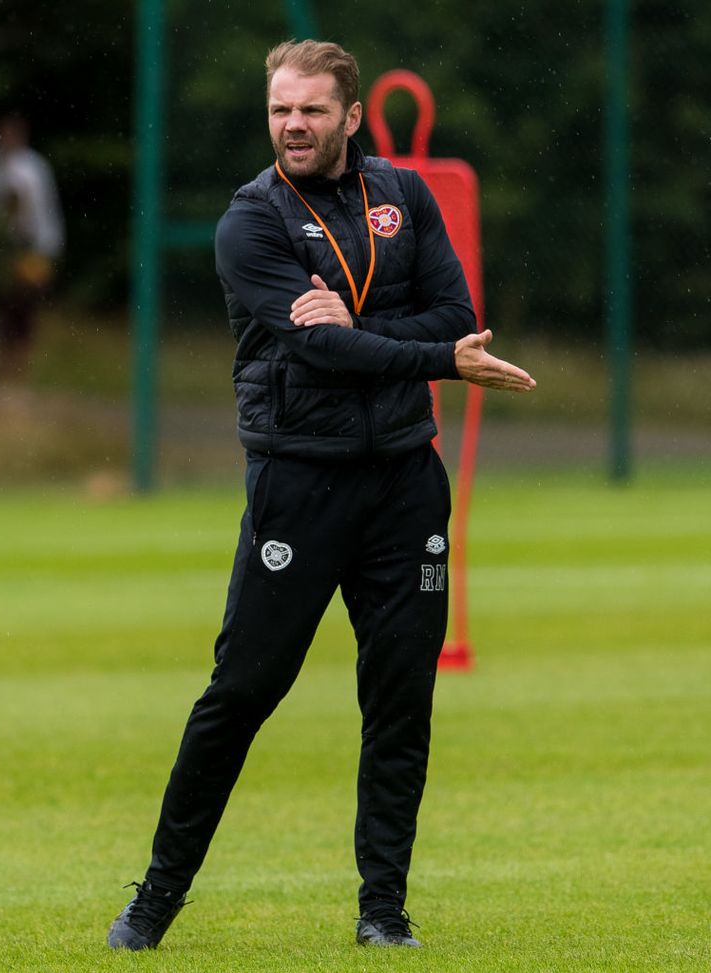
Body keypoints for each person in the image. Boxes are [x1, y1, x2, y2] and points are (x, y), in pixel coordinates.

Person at [108, 39, 535, 952]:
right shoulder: (249, 222)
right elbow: (322, 350)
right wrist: (430, 358)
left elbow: (455, 315)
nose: (292, 126)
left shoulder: (403, 196)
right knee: (242, 692)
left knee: (399, 699)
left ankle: (383, 910)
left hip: (404, 485)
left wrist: (374, 327)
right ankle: (154, 901)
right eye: (279, 111)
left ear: (349, 116)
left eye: (309, 110)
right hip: (297, 486)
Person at [0, 113, 64, 379]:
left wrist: (46, 251)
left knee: (22, 315)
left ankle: (16, 375)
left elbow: (44, 213)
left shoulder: (35, 168)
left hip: (26, 249)